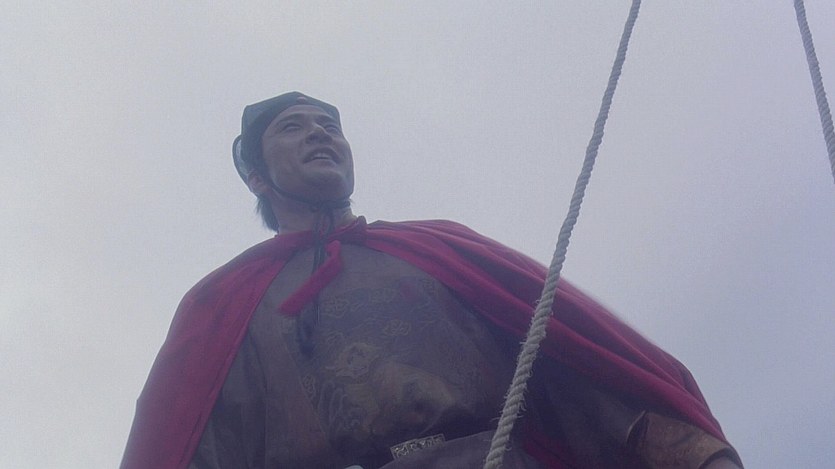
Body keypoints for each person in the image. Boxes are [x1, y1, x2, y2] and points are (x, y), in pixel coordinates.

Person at [122, 92, 743, 468]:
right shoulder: (228, 305)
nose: (319, 133)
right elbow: (193, 447)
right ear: (257, 177)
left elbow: (573, 372)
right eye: (292, 126)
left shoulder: (435, 250)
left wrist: (691, 453)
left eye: (328, 124)